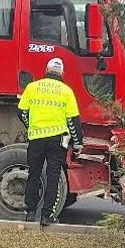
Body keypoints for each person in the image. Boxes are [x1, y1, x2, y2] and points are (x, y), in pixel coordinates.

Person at [18, 58, 83, 225]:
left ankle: (30, 212)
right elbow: (73, 121)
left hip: (36, 139)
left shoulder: (32, 88)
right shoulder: (66, 91)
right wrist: (78, 143)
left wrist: (31, 126)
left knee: (33, 174)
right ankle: (47, 216)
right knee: (53, 176)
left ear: (46, 70)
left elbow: (22, 113)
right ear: (62, 73)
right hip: (57, 141)